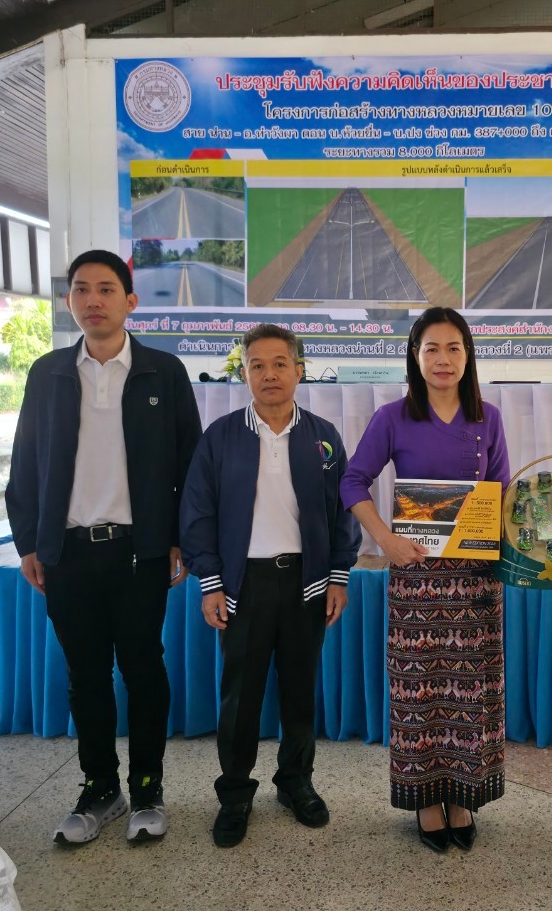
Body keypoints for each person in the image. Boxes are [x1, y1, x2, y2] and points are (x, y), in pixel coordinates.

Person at [6, 248, 202, 845]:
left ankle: (147, 788)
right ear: (69, 301)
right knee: (85, 675)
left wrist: (179, 539)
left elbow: (190, 464)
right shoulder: (48, 374)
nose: (93, 300)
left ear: (130, 301)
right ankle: (100, 789)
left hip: (140, 552)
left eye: (106, 289)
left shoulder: (163, 372)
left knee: (143, 669)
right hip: (67, 553)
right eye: (82, 289)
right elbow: (25, 463)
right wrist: (28, 541)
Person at [179, 324, 361, 848]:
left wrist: (339, 575)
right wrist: (211, 583)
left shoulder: (323, 436)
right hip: (244, 585)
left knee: (300, 690)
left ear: (299, 370)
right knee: (240, 695)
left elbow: (343, 509)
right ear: (245, 374)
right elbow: (197, 512)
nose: (269, 374)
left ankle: (295, 781)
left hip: (306, 582)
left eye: (280, 363)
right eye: (257, 365)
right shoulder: (221, 436)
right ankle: (235, 792)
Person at [341, 307, 511, 854]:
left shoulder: (488, 417)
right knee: (422, 692)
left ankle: (463, 795)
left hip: (476, 580)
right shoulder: (393, 417)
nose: (443, 359)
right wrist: (385, 541)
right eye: (431, 348)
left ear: (468, 355)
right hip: (417, 578)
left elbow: (502, 491)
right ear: (414, 356)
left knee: (470, 694)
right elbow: (352, 482)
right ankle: (425, 800)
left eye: (453, 347)